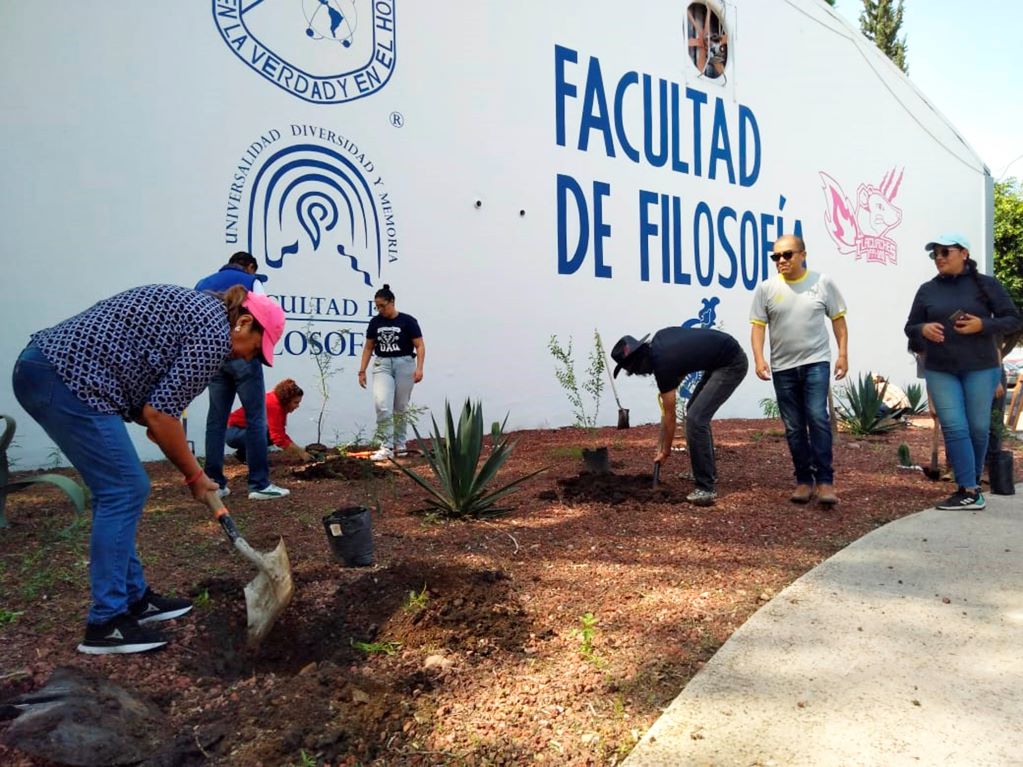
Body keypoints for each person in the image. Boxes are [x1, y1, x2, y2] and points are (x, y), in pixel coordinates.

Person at [11, 284, 285, 654]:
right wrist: (195, 475)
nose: (253, 359)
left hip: (53, 369)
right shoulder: (214, 336)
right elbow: (160, 415)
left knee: (125, 487)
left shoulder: (205, 315)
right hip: (63, 375)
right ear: (245, 323)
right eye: (258, 348)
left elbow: (154, 410)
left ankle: (135, 599)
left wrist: (166, 434)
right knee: (124, 489)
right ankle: (106, 622)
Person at [905, 234, 1022, 510]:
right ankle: (968, 489)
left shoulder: (987, 286)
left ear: (964, 253)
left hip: (981, 368)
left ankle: (971, 486)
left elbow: (1013, 319)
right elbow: (910, 327)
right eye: (935, 254)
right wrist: (923, 329)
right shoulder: (927, 290)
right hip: (941, 369)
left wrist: (982, 325)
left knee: (979, 428)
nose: (940, 258)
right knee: (956, 427)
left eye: (945, 252)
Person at [750, 234, 848, 507]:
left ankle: (826, 482)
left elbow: (838, 320)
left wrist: (843, 355)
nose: (780, 260)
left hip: (816, 362)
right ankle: (804, 481)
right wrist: (759, 359)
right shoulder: (766, 289)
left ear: (803, 254)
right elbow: (758, 327)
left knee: (817, 417)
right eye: (775, 257)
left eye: (787, 255)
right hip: (783, 368)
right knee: (793, 426)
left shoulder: (822, 283)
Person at [610, 326, 748, 506]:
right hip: (718, 359)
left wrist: (665, 451)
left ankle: (706, 488)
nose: (636, 373)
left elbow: (670, 415)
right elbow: (685, 357)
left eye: (633, 370)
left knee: (695, 419)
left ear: (638, 362)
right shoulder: (661, 340)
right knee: (694, 412)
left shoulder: (662, 365)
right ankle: (706, 470)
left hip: (731, 364)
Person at [196, 252, 289, 501]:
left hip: (214, 357)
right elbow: (265, 317)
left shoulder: (203, 283)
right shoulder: (252, 281)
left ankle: (215, 482)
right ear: (249, 267)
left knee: (216, 419)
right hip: (244, 354)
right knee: (256, 418)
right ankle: (259, 484)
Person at [357, 285, 425, 461]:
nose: (380, 310)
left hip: (404, 363)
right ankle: (386, 446)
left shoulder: (408, 321)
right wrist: (362, 370)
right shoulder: (375, 322)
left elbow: (419, 345)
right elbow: (369, 347)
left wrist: (419, 367)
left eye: (382, 305)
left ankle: (400, 445)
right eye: (377, 306)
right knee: (382, 404)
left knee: (401, 407)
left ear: (392, 302)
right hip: (383, 364)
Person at [225, 379, 314, 463]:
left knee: (268, 434)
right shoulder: (274, 406)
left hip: (240, 431)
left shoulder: (278, 402)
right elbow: (278, 438)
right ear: (287, 400)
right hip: (233, 432)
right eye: (296, 402)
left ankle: (242, 454)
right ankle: (254, 461)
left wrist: (299, 449)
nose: (297, 406)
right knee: (266, 433)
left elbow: (280, 433)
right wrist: (300, 452)